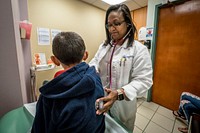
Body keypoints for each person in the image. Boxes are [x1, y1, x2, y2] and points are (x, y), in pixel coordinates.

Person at [89, 4, 153, 132]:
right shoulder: (104, 46)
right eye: (109, 25)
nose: (112, 29)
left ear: (128, 23)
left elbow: (144, 80)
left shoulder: (139, 50)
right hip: (102, 100)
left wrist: (118, 94)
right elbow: (94, 62)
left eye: (116, 23)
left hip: (123, 107)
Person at [31, 32, 105, 133]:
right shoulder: (96, 78)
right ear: (85, 55)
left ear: (55, 60)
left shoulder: (48, 97)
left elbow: (39, 129)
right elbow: (101, 109)